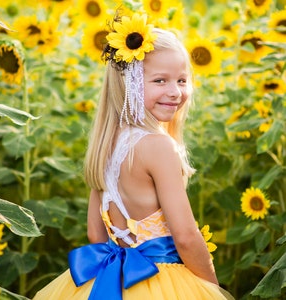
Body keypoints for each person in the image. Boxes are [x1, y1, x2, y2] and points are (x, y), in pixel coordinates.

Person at [33, 12, 234, 300]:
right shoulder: (158, 147)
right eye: (160, 81)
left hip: (117, 276)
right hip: (162, 279)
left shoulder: (107, 144)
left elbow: (95, 233)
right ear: (128, 84)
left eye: (181, 79)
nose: (175, 91)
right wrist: (212, 288)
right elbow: (187, 238)